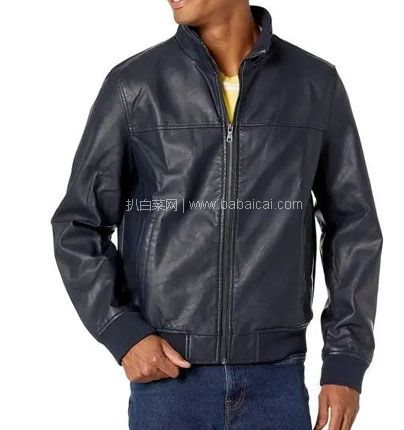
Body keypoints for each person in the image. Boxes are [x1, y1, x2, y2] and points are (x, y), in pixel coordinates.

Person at [51, 1, 383, 429]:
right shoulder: (135, 85)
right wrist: (123, 332)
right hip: (169, 378)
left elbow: (353, 225)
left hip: (276, 379)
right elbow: (78, 224)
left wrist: (345, 360)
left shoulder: (314, 84)